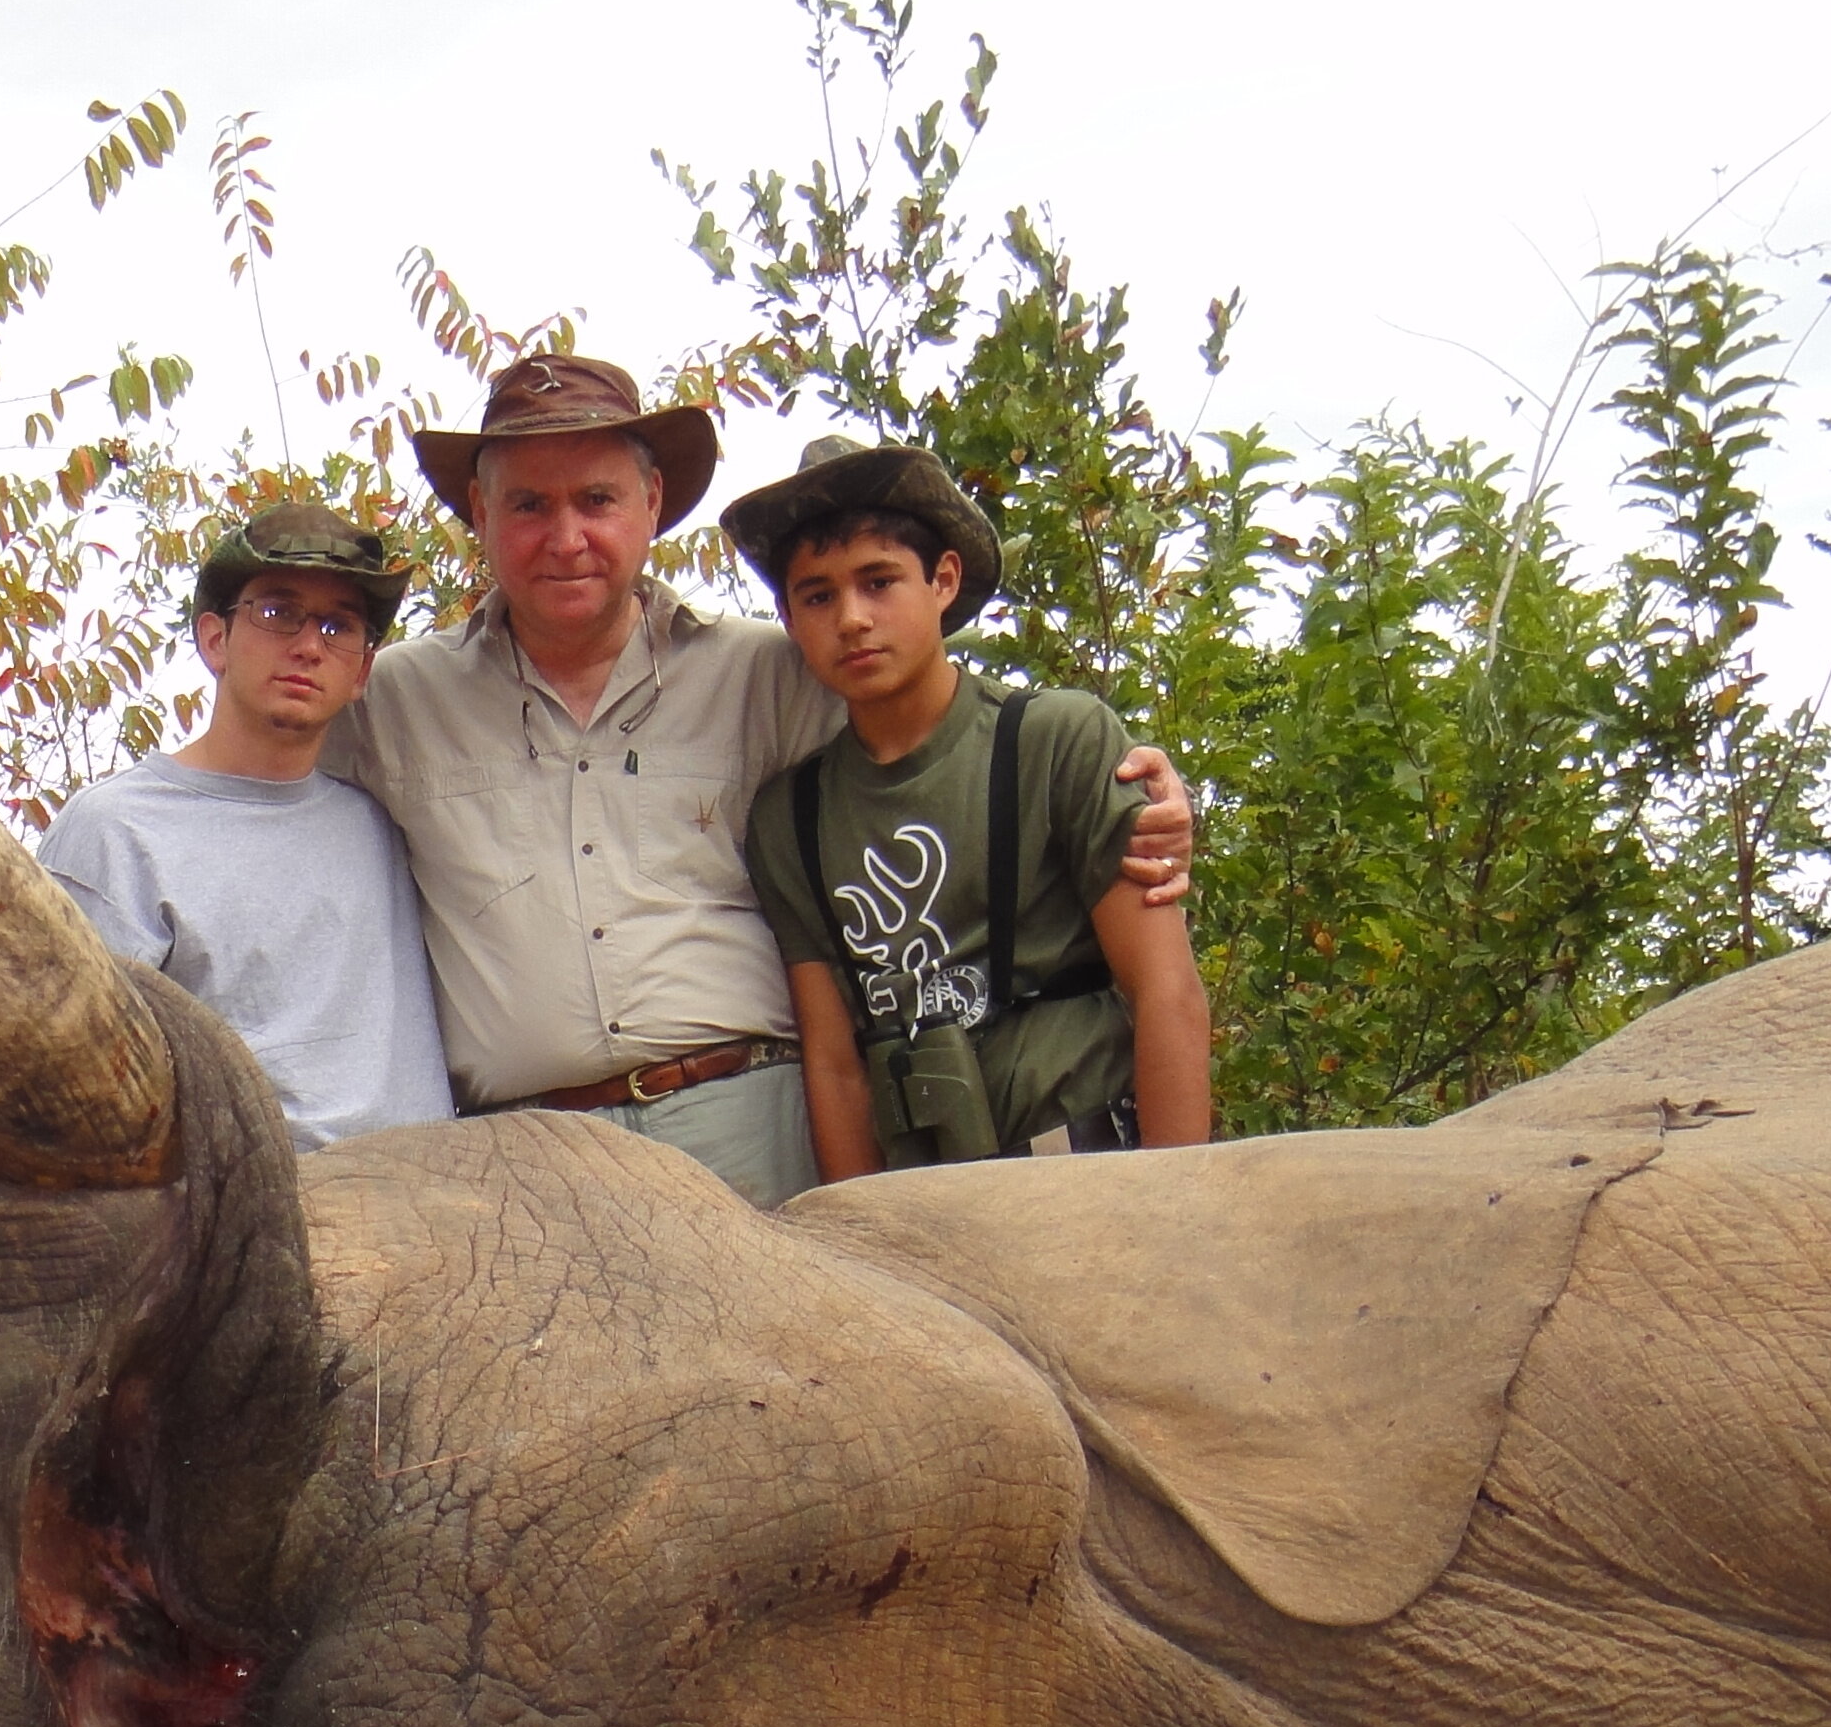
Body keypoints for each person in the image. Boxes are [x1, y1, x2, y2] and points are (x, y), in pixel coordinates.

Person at [324, 353, 1191, 1205]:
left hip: (753, 1124)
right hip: (527, 1157)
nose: (567, 538)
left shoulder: (773, 670)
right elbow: (256, 791)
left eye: (597, 500)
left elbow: (949, 735)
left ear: (651, 502)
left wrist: (1142, 789)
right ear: (480, 510)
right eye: (528, 505)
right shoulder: (387, 699)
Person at [727, 437, 1212, 1175]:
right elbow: (835, 1064)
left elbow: (1164, 989)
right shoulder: (787, 818)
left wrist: (1181, 1205)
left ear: (944, 580)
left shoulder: (1056, 740)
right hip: (927, 1207)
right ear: (789, 620)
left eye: (879, 581)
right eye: (818, 595)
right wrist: (858, 1252)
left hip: (1089, 1172)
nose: (851, 618)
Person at [39, 502, 452, 1151]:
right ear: (213, 639)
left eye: (338, 626)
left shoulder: (385, 823)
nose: (309, 645)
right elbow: (71, 1078)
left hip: (436, 1212)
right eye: (278, 613)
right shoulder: (116, 832)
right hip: (252, 1223)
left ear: (362, 671)